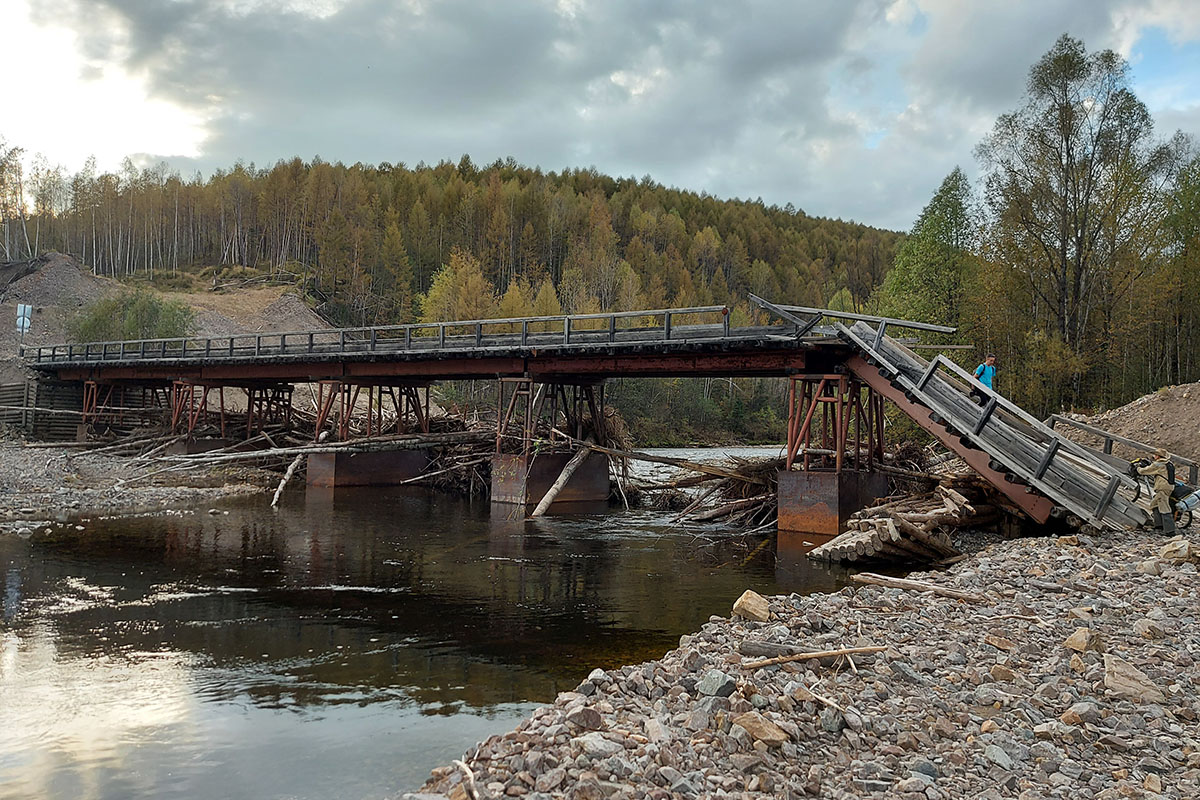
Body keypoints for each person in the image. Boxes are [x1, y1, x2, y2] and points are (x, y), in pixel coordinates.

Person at [1137, 448, 1176, 535]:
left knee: (1165, 508)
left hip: (1162, 488)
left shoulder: (1159, 464)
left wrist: (1138, 468)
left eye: (1155, 455)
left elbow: (1145, 471)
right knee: (1154, 505)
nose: (1154, 456)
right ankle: (1158, 525)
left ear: (1158, 456)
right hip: (1169, 487)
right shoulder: (1169, 464)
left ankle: (1170, 531)